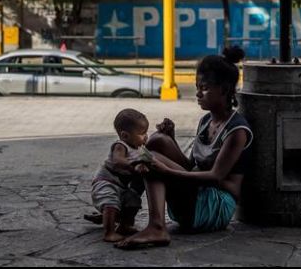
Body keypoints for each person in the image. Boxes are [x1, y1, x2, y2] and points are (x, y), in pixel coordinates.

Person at [116, 46, 252, 250]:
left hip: (215, 206)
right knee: (157, 140)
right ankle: (127, 211)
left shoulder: (236, 130)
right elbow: (192, 166)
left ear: (224, 90)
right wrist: (170, 138)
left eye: (204, 88)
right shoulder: (206, 121)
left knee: (151, 160)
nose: (197, 93)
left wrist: (165, 170)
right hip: (197, 194)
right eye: (197, 87)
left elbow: (215, 176)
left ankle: (157, 227)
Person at [91, 108, 151, 242]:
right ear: (125, 136)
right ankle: (109, 232)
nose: (146, 136)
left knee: (133, 202)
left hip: (122, 186)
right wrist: (134, 164)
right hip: (106, 181)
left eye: (146, 132)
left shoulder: (138, 148)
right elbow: (118, 161)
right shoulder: (120, 146)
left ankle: (125, 225)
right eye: (142, 133)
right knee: (111, 204)